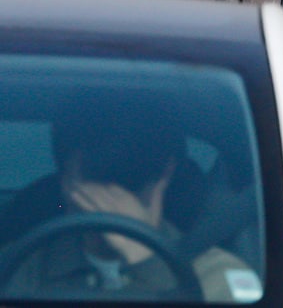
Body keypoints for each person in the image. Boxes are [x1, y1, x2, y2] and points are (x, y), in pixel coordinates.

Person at [0, 106, 259, 301]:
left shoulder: (216, 275)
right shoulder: (15, 270)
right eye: (97, 170)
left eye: (131, 170)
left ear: (166, 172)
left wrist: (148, 261)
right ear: (65, 176)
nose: (114, 187)